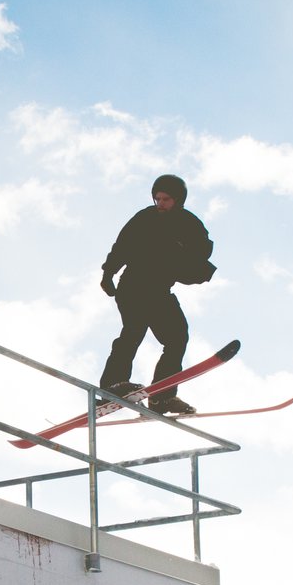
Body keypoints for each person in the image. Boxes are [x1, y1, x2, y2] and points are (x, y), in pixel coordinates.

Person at [98, 174, 214, 415]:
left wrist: (195, 269)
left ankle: (162, 397)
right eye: (157, 199)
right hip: (133, 285)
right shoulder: (145, 218)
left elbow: (201, 253)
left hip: (159, 290)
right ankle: (113, 385)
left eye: (166, 199)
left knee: (177, 337)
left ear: (178, 199)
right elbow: (122, 246)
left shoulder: (190, 225)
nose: (160, 204)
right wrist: (108, 273)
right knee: (133, 330)